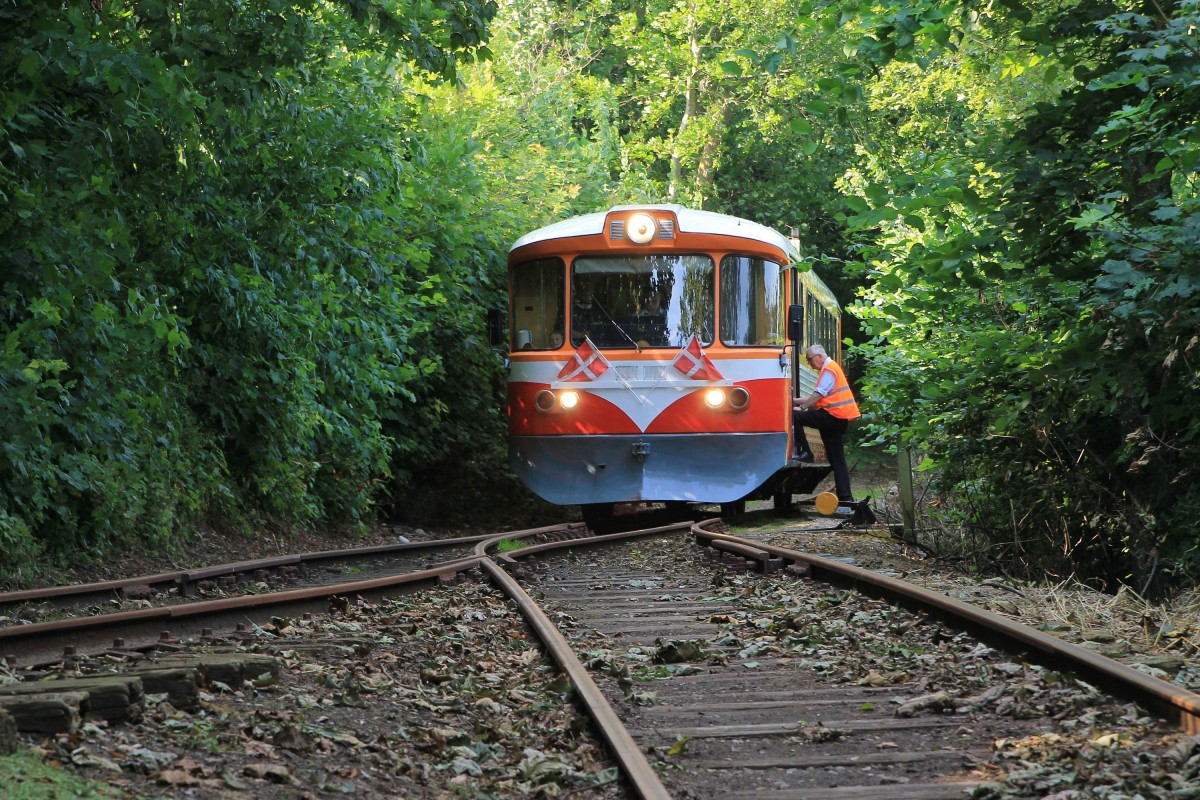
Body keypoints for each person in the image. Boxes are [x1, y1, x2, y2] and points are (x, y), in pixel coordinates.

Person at [793, 345, 861, 503]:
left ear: (819, 356)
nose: (810, 364)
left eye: (810, 360)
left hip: (831, 417)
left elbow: (819, 394)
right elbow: (822, 396)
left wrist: (801, 408)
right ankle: (846, 498)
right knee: (837, 459)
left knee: (794, 416)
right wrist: (796, 401)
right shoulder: (832, 368)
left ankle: (806, 452)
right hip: (837, 419)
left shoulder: (829, 369)